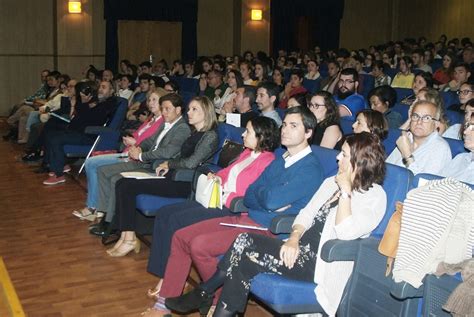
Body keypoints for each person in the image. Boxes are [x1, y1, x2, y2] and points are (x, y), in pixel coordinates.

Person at [165, 132, 387, 317]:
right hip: (296, 250)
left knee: (243, 255)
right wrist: (293, 238)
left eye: (344, 155)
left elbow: (346, 232)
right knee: (243, 250)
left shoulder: (374, 196)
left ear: (360, 162)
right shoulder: (331, 183)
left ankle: (204, 292)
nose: (338, 158)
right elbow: (306, 214)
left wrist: (346, 192)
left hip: (319, 264)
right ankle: (206, 294)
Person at [142, 106, 325, 316]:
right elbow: (251, 194)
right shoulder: (282, 158)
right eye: (284, 124)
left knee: (199, 245)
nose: (285, 130)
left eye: (294, 126)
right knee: (181, 236)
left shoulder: (310, 168)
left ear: (309, 133)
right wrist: (265, 198)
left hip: (268, 230)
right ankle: (164, 303)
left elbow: (270, 199)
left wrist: (265, 197)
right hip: (247, 217)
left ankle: (215, 298)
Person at [103, 96, 219, 256]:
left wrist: (169, 164)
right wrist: (167, 164)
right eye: (189, 108)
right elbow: (181, 158)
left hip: (187, 183)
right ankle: (126, 235)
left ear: (206, 112)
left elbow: (192, 162)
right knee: (123, 183)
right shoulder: (194, 133)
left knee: (128, 186)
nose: (189, 113)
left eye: (194, 109)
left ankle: (129, 239)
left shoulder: (210, 135)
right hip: (176, 175)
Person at [88, 93, 191, 233]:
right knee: (103, 171)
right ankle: (105, 214)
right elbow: (150, 141)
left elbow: (168, 152)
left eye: (168, 109)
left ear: (178, 110)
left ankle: (110, 222)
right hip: (146, 161)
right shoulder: (166, 124)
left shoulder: (182, 128)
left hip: (153, 166)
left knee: (115, 178)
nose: (164, 112)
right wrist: (139, 147)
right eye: (163, 108)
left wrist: (142, 155)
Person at [71, 90, 166, 220]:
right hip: (127, 152)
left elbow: (151, 144)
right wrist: (130, 139)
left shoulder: (162, 122)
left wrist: (134, 142)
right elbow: (138, 136)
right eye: (149, 100)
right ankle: (95, 206)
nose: (150, 103)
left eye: (154, 99)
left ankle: (93, 207)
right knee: (92, 162)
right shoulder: (150, 120)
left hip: (135, 158)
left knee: (92, 163)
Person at [42, 80, 119, 185]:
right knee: (50, 133)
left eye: (104, 87)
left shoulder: (109, 103)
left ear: (111, 91)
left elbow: (96, 119)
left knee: (56, 139)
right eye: (100, 86)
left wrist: (88, 104)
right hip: (78, 131)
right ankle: (61, 164)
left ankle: (58, 175)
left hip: (90, 135)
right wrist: (85, 102)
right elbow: (82, 112)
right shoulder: (95, 101)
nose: (100, 89)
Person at [386, 100, 451, 175]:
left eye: (427, 118)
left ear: (436, 124)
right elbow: (387, 167)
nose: (419, 122)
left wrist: (407, 155)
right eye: (415, 116)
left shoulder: (440, 147)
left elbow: (423, 183)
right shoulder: (406, 138)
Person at [440, 113, 474, 184]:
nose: (465, 132)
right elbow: (435, 181)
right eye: (467, 126)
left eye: (472, 128)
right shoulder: (461, 158)